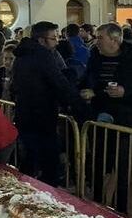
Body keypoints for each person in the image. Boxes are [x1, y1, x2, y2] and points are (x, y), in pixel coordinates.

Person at [81, 23, 132, 211]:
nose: (96, 41)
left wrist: (125, 92)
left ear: (115, 40)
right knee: (98, 167)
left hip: (126, 124)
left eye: (100, 37)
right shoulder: (95, 58)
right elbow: (88, 82)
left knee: (123, 170)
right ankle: (97, 207)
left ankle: (122, 213)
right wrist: (89, 92)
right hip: (99, 122)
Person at [12, 21, 81, 186]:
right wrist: (78, 106)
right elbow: (58, 83)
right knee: (49, 164)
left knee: (29, 159)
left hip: (24, 116)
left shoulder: (21, 56)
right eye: (53, 38)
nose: (57, 41)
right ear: (42, 40)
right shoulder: (44, 56)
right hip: (42, 118)